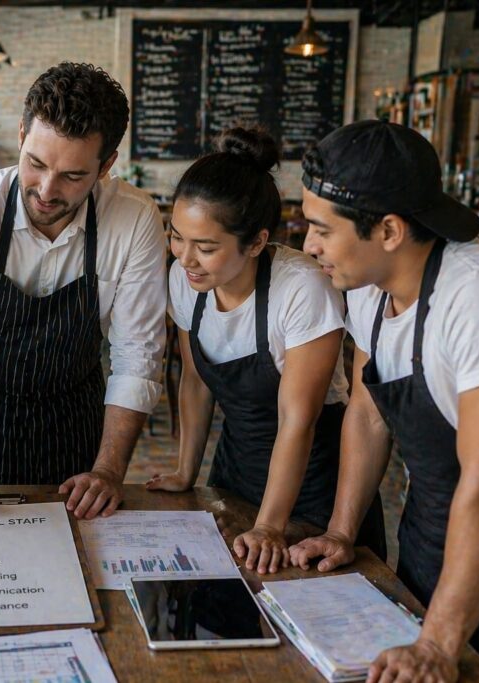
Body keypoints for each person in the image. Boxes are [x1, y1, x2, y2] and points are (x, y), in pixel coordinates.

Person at [289, 120, 479, 682]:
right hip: (427, 538)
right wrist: (342, 531)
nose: (308, 245)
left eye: (322, 229)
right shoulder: (370, 291)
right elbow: (370, 415)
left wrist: (439, 644)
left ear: (390, 231)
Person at [0, 62, 166, 519]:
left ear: (106, 166)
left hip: (76, 421)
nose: (46, 190)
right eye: (36, 163)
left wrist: (108, 470)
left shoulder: (135, 219)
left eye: (72, 176)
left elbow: (137, 355)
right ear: (22, 135)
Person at [146, 126, 385, 574]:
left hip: (313, 479)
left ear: (256, 242)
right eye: (176, 236)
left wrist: (271, 525)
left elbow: (299, 418)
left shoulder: (301, 288)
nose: (185, 257)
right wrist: (185, 473)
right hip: (236, 469)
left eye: (206, 247)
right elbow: (196, 383)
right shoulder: (186, 278)